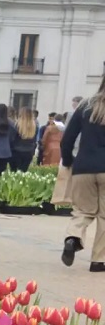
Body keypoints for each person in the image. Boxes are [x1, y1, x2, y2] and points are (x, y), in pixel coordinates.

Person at [60, 78, 105, 272]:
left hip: (83, 167)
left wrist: (69, 160)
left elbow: (67, 139)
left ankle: (73, 238)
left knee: (82, 211)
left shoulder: (85, 106)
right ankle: (98, 260)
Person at [11, 107, 38, 172]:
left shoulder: (17, 125)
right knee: (23, 172)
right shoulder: (34, 126)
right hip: (29, 152)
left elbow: (13, 138)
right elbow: (34, 140)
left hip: (16, 151)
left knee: (14, 172)